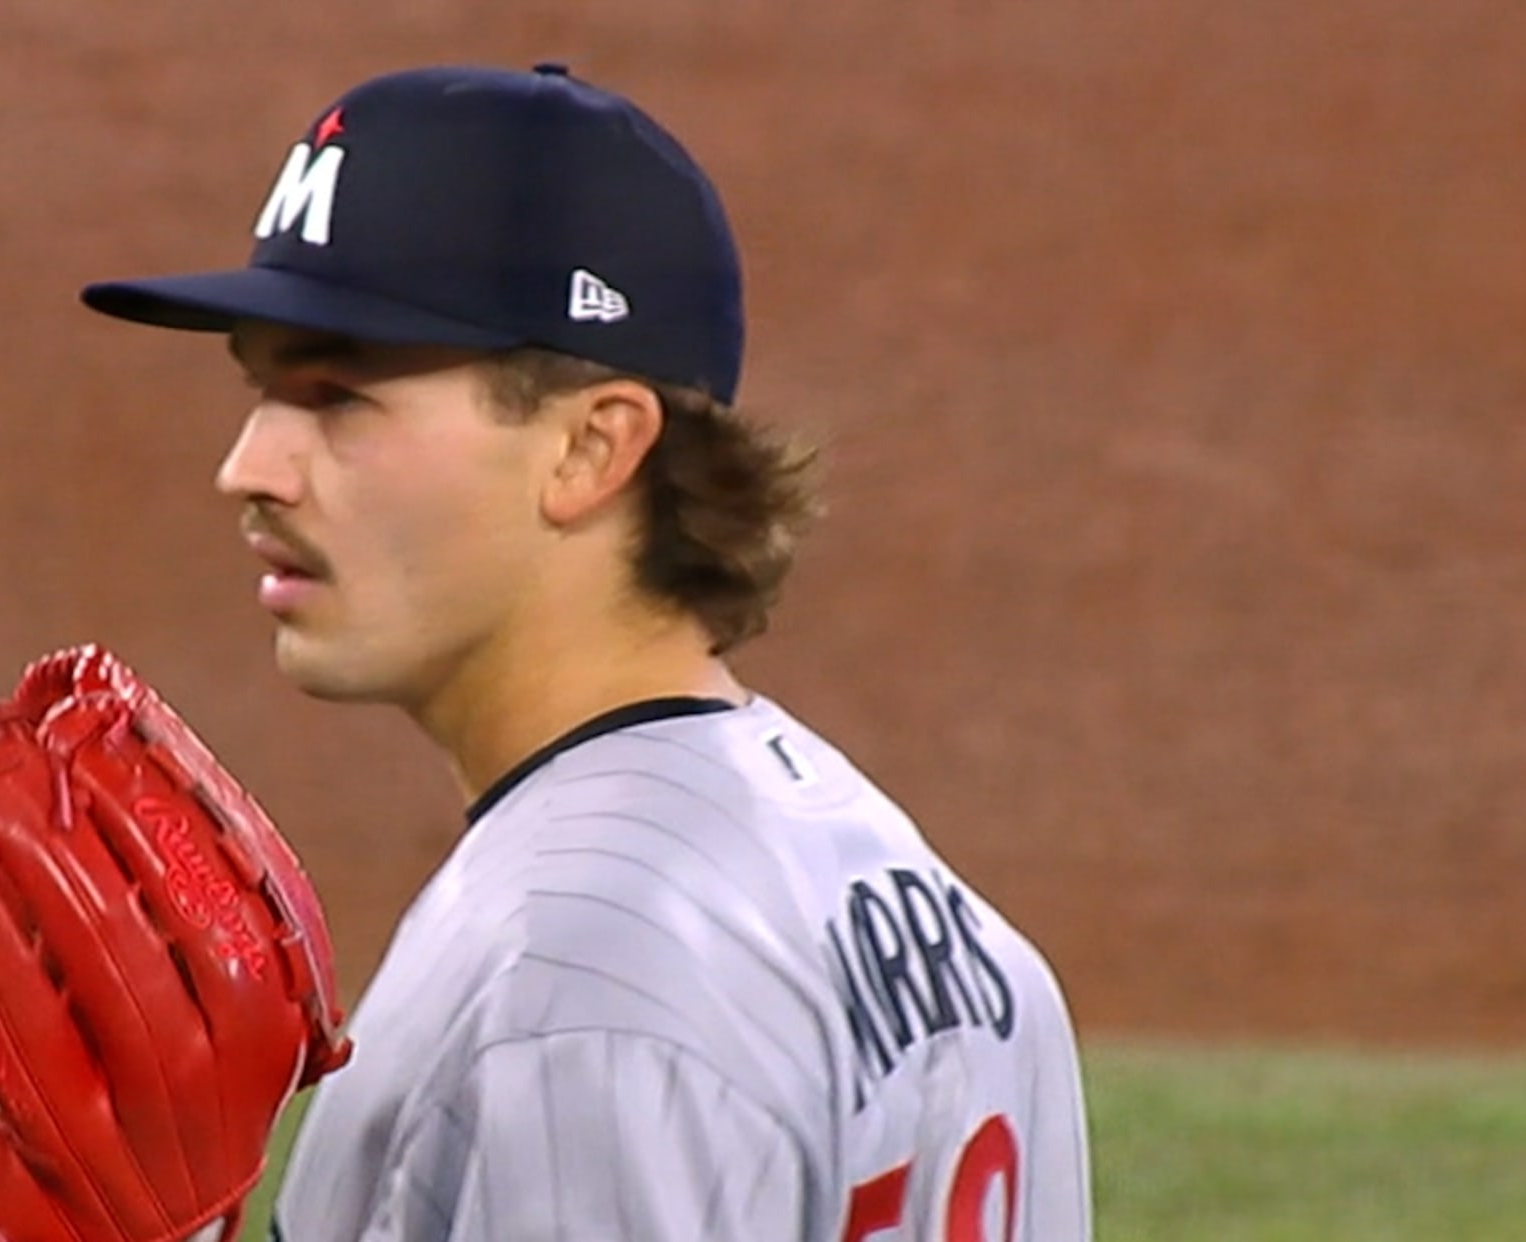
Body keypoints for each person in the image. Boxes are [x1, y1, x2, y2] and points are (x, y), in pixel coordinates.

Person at [80, 61, 1091, 1242]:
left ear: (591, 449)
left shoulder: (578, 989)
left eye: (338, 395)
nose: (248, 467)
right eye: (261, 390)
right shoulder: (932, 915)